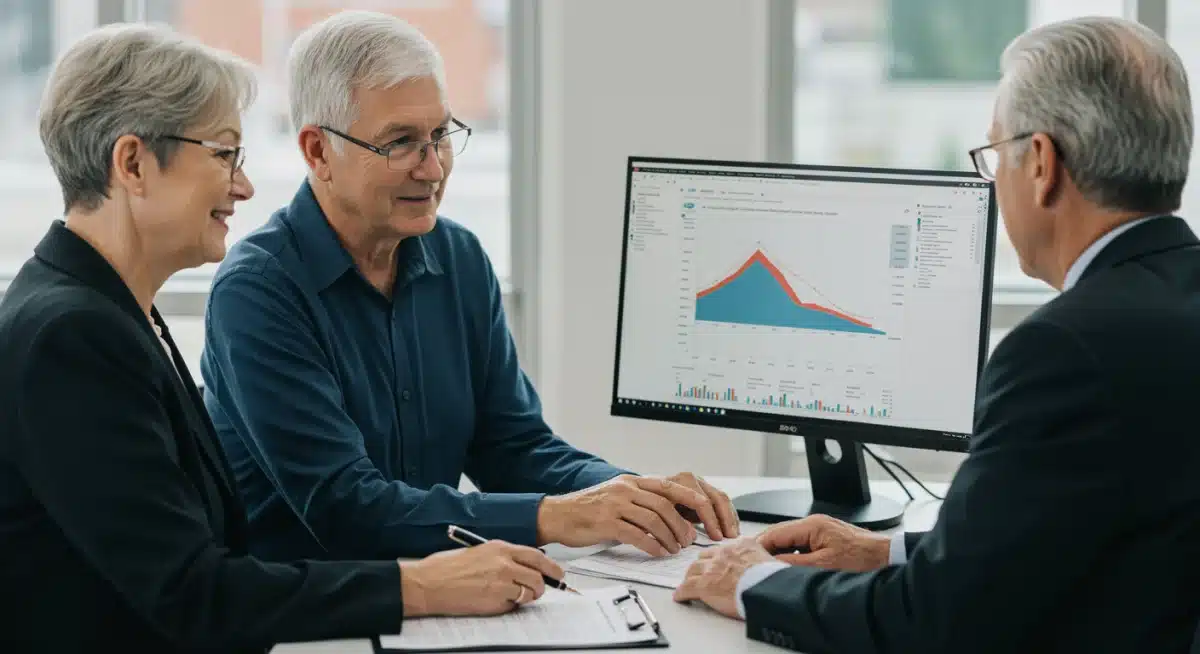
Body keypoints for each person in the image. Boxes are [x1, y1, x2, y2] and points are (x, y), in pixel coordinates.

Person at [0, 23, 570, 653]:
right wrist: (422, 587)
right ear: (133, 163)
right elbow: (194, 592)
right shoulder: (71, 336)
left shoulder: (113, 315)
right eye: (223, 155)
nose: (243, 186)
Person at [673, 16, 1200, 653]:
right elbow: (1096, 529)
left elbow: (934, 621)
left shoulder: (1063, 350)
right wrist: (888, 550)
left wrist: (752, 583)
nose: (993, 178)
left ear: (1040, 163)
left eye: (994, 154)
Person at [199, 9, 740, 562]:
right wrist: (555, 516)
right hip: (313, 619)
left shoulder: (458, 259)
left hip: (441, 594)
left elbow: (513, 446)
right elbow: (346, 508)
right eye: (401, 143)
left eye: (441, 135)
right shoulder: (257, 292)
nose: (433, 169)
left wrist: (632, 494)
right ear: (317, 151)